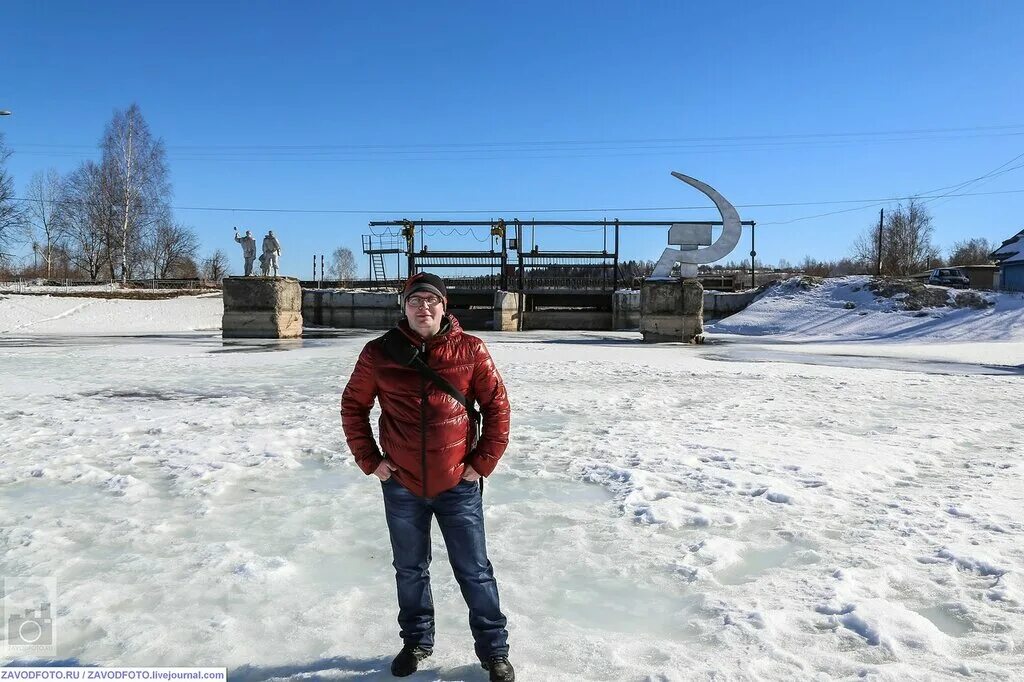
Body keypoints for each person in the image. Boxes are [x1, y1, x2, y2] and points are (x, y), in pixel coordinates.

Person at [341, 273, 514, 681]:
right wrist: (372, 461)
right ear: (404, 307)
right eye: (415, 301)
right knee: (409, 568)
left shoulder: (471, 350)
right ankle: (416, 641)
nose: (423, 308)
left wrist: (481, 463)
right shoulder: (378, 353)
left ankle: (494, 651)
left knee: (474, 570)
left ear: (444, 306)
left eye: (431, 301)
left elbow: (498, 409)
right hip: (402, 485)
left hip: (458, 484)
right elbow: (353, 407)